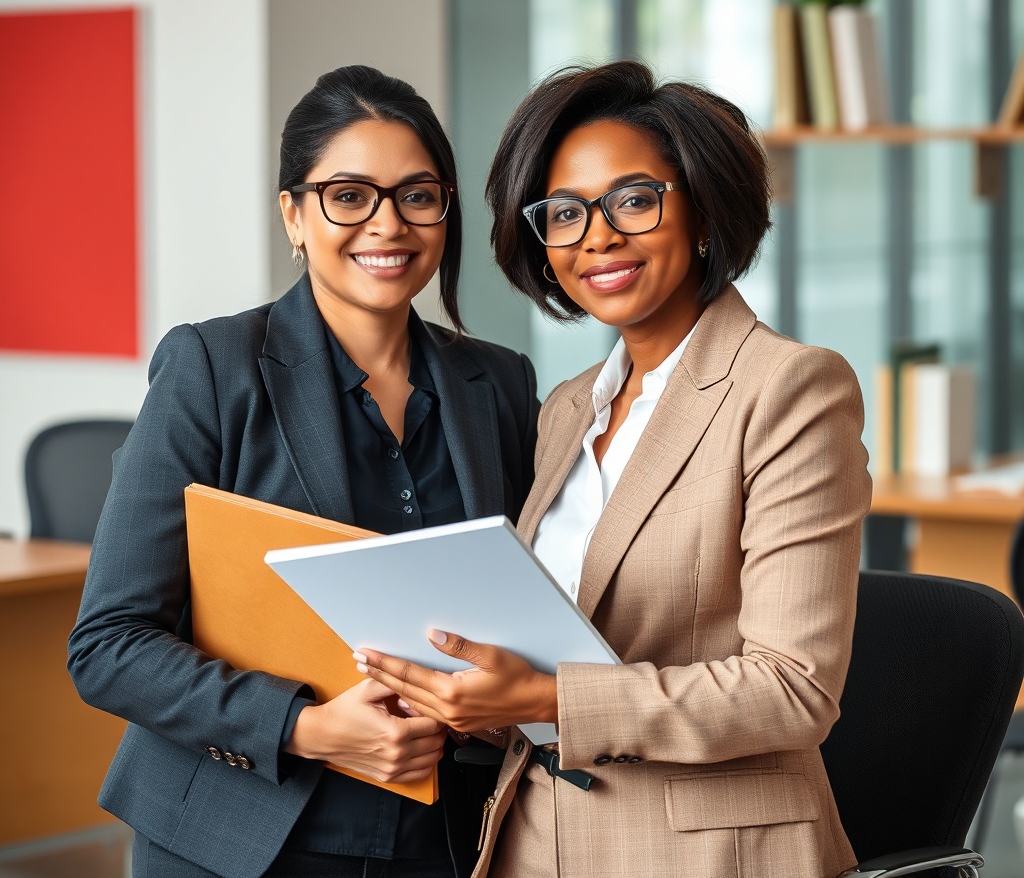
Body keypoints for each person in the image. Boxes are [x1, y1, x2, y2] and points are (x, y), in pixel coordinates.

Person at [355, 61, 872, 878]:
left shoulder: (789, 388)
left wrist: (546, 698)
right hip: (536, 840)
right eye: (563, 213)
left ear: (702, 209)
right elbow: (545, 657)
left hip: (714, 853)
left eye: (633, 199)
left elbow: (792, 689)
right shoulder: (564, 411)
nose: (597, 236)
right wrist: (459, 693)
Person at [68, 65, 538, 878]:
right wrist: (306, 727)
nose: (387, 225)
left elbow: (524, 600)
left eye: (417, 195)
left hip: (446, 838)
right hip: (237, 839)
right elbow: (109, 645)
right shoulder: (212, 368)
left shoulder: (498, 383)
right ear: (294, 213)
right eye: (349, 196)